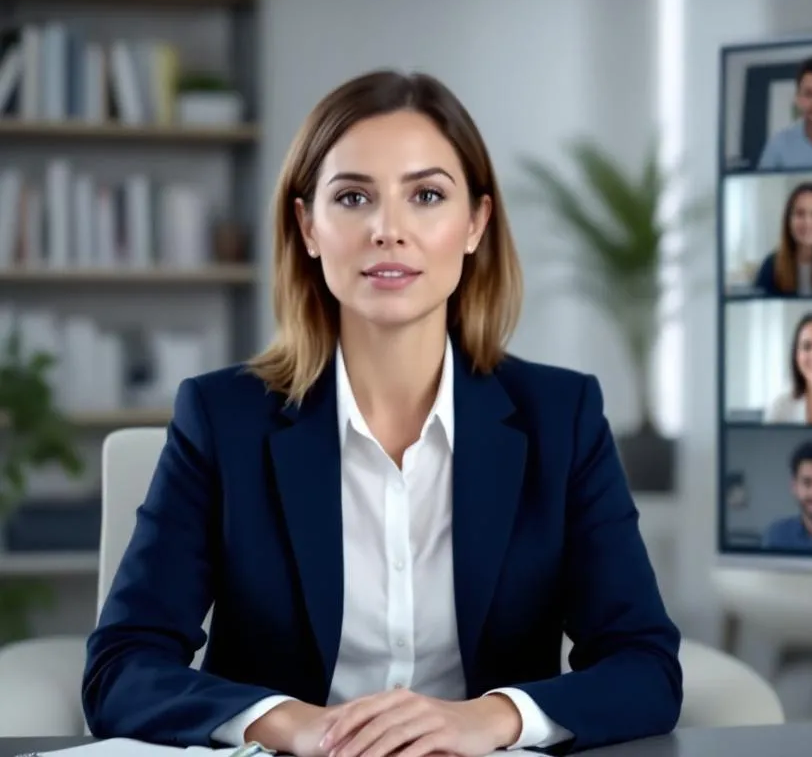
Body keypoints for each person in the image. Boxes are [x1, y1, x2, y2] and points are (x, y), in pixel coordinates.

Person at [81, 70, 682, 757]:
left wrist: (490, 719)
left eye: (426, 195)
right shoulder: (222, 419)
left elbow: (644, 665)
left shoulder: (562, 418)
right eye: (353, 197)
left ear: (475, 223)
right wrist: (295, 724)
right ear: (307, 226)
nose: (387, 230)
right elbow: (121, 669)